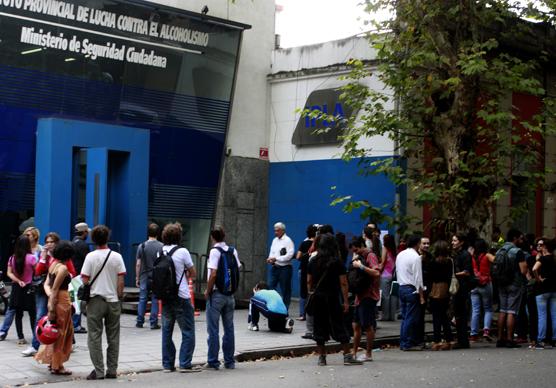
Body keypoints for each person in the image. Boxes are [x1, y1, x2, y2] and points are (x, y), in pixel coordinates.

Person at [308, 234, 362, 366]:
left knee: (319, 326)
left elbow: (309, 281)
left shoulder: (313, 261)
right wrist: (345, 301)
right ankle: (347, 355)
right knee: (339, 325)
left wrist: (311, 292)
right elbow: (343, 283)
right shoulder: (337, 262)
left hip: (318, 297)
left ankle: (322, 357)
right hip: (332, 297)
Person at [81, 225, 126, 380]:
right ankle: (112, 370)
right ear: (108, 238)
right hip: (113, 300)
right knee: (113, 336)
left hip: (95, 300)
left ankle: (99, 370)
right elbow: (121, 280)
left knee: (94, 335)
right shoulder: (117, 257)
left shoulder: (90, 257)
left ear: (93, 239)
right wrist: (119, 296)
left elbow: (85, 279)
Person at [24, 232, 76, 357]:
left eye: (51, 242)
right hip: (45, 291)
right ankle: (35, 345)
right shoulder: (46, 256)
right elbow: (37, 272)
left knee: (64, 320)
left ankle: (68, 342)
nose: (49, 244)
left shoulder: (63, 259)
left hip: (61, 291)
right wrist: (43, 258)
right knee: (40, 316)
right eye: (47, 242)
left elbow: (72, 273)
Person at [159, 222, 198, 373]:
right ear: (179, 236)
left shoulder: (160, 251)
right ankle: (184, 363)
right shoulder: (183, 252)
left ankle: (168, 364)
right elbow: (193, 273)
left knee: (167, 331)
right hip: (181, 296)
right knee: (187, 330)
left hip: (166, 297)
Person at [35, 241, 75, 375]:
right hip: (62, 302)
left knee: (56, 332)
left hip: (55, 299)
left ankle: (54, 362)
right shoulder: (63, 269)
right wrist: (51, 306)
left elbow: (47, 285)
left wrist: (50, 299)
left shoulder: (53, 265)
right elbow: (56, 288)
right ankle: (58, 366)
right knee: (62, 334)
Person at [204, 226, 241, 370]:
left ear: (213, 237)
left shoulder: (214, 251)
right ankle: (229, 361)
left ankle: (213, 361)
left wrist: (207, 291)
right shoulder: (233, 250)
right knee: (229, 328)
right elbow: (238, 269)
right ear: (224, 236)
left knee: (213, 329)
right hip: (229, 295)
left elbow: (213, 273)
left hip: (217, 294)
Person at [0, 236, 36, 345]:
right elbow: (38, 271)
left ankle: (20, 337)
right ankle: (35, 336)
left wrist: (18, 280)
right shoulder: (32, 258)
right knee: (32, 314)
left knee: (18, 314)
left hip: (17, 288)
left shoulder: (12, 258)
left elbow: (9, 273)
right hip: (29, 287)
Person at [494, 229, 527, 348]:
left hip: (501, 283)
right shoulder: (518, 252)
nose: (521, 240)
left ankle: (499, 338)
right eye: (520, 238)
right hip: (514, 283)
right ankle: (509, 338)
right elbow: (523, 271)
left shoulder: (499, 251)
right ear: (515, 238)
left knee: (502, 310)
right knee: (511, 311)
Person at [350, 241, 381, 362]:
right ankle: (354, 352)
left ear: (362, 246)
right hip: (359, 296)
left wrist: (361, 266)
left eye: (356, 250)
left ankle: (368, 354)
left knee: (367, 325)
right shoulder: (360, 257)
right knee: (356, 325)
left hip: (368, 295)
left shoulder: (370, 256)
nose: (355, 253)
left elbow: (377, 273)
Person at [396, 235, 425, 351]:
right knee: (411, 317)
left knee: (405, 317)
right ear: (417, 244)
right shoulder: (416, 257)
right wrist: (421, 295)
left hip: (401, 286)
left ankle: (404, 341)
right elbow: (418, 278)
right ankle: (407, 343)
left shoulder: (400, 255)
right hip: (411, 288)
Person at [135, 223, 163, 329]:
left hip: (143, 276)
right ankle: (153, 322)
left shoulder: (141, 246)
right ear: (158, 233)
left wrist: (137, 277)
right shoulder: (161, 246)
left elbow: (138, 264)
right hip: (156, 277)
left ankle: (139, 321)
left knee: (142, 298)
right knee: (155, 299)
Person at [428, 240, 454, 350]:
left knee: (436, 317)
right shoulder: (449, 262)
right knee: (445, 316)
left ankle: (436, 341)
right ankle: (448, 340)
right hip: (445, 289)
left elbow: (430, 276)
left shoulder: (432, 262)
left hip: (435, 289)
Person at [532, 238, 556, 349]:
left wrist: (538, 279)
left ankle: (541, 340)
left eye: (541, 245)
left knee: (542, 316)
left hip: (542, 290)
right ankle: (554, 339)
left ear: (545, 247)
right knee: (554, 315)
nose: (540, 247)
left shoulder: (543, 259)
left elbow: (534, 269)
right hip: (553, 289)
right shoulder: (554, 258)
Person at [451, 233, 474, 349]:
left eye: (455, 240)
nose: (453, 243)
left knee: (462, 314)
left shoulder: (465, 255)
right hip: (459, 287)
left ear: (461, 242)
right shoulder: (456, 254)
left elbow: (467, 271)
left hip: (463, 288)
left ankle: (463, 340)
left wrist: (453, 275)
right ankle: (461, 339)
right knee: (458, 314)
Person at [470, 239, 494, 342]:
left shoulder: (472, 257)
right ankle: (486, 331)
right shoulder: (487, 256)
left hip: (474, 285)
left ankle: (474, 333)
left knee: (475, 310)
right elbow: (497, 260)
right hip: (485, 284)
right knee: (488, 308)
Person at [267, 222, 295, 311]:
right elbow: (272, 252)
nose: (275, 232)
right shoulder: (274, 240)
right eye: (275, 230)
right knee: (271, 288)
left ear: (283, 230)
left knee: (285, 290)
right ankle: (272, 307)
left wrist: (276, 258)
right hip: (275, 267)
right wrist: (270, 259)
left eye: (277, 231)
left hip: (285, 268)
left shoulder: (288, 240)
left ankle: (285, 309)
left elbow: (290, 255)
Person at [295, 225, 317, 321]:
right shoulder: (318, 244)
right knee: (312, 291)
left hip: (303, 269)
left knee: (302, 292)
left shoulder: (304, 243)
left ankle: (302, 314)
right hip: (314, 270)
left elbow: (298, 256)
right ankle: (311, 313)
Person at [72, 222, 90, 334]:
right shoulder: (83, 245)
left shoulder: (72, 242)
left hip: (72, 275)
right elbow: (87, 261)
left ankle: (75, 323)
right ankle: (76, 324)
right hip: (80, 275)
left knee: (74, 299)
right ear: (84, 232)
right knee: (78, 300)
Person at [379, 234, 398, 321]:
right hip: (393, 275)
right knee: (393, 295)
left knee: (385, 296)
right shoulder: (395, 250)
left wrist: (378, 269)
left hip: (385, 274)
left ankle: (385, 316)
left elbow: (383, 262)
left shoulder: (385, 248)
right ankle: (392, 316)